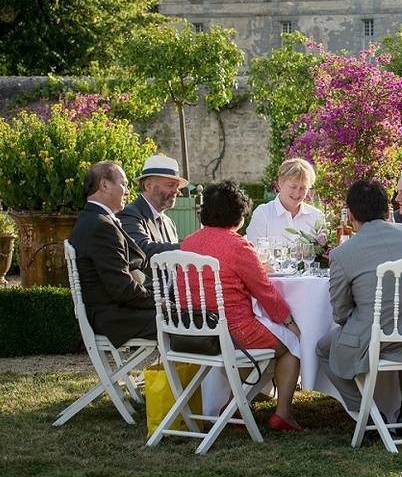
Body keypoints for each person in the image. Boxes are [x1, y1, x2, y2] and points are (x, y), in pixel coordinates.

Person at [316, 179, 402, 426]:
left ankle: (369, 412)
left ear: (350, 214)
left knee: (323, 348)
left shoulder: (343, 253)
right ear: (388, 211)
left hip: (376, 337)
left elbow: (340, 312)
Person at [181, 181, 303, 432]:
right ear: (239, 214)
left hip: (194, 331)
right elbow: (265, 291)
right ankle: (282, 414)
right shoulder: (238, 246)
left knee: (268, 343)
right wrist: (290, 322)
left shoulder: (188, 243)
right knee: (292, 344)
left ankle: (235, 404)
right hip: (234, 332)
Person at [68, 161, 155, 347]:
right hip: (116, 319)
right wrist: (158, 301)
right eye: (123, 184)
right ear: (105, 185)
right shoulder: (101, 225)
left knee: (189, 316)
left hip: (118, 312)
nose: (128, 191)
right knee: (191, 321)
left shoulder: (91, 218)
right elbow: (122, 288)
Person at [118, 154, 186, 262]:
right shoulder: (129, 213)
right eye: (170, 185)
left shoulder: (169, 223)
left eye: (177, 186)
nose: (176, 191)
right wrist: (190, 247)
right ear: (148, 185)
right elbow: (142, 249)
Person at [245, 158, 324, 245]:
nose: (297, 193)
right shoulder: (263, 214)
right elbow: (253, 253)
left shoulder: (316, 216)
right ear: (280, 183)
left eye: (303, 188)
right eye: (293, 187)